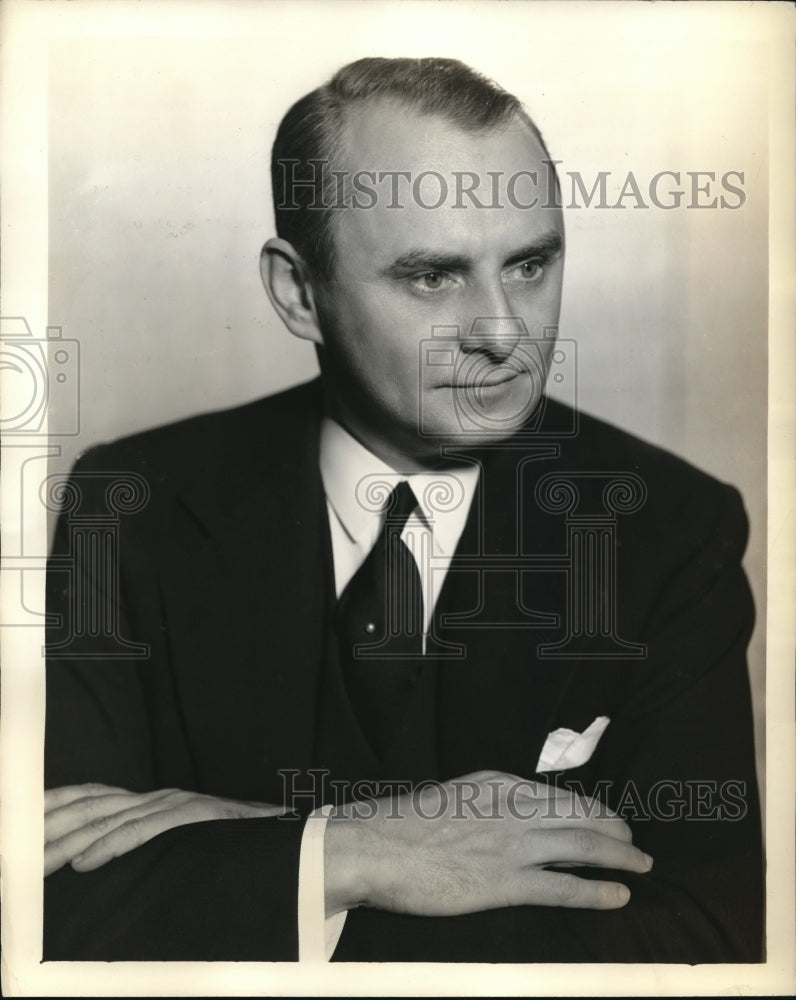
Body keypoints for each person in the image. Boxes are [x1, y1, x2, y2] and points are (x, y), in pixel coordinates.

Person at [43, 57, 763, 963]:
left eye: (531, 264)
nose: (505, 331)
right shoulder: (131, 504)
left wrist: (280, 855)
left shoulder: (670, 530)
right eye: (434, 277)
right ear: (299, 294)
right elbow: (54, 908)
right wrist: (360, 850)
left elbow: (707, 942)